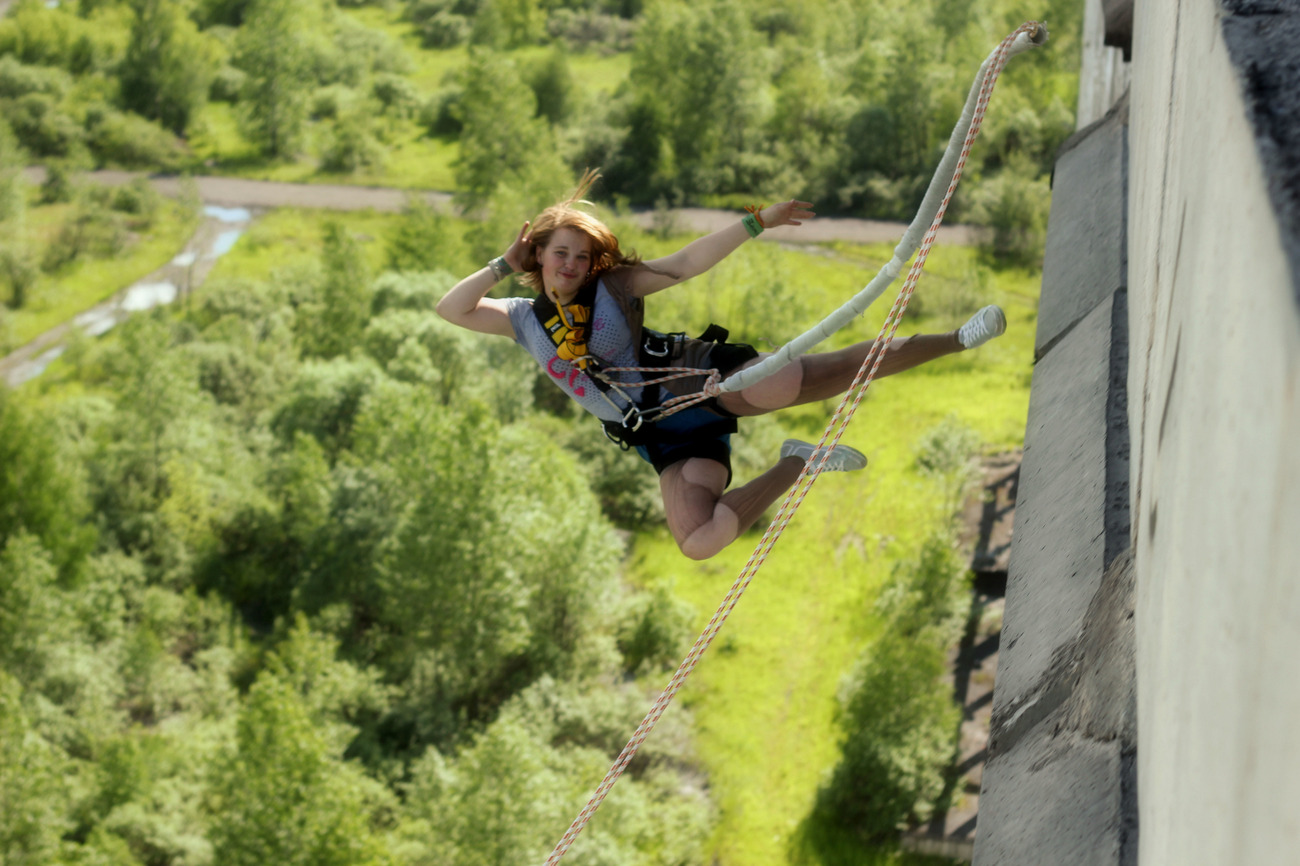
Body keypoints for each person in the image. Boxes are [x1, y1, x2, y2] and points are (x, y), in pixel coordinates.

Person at [435, 176, 1007, 560]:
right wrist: (501, 265)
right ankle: (799, 463)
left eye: (581, 256)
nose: (571, 265)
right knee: (699, 541)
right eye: (560, 253)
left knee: (791, 380)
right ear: (537, 255)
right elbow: (451, 308)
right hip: (657, 436)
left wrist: (758, 222)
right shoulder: (521, 319)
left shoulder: (613, 286)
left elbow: (686, 263)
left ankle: (956, 338)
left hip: (690, 376)